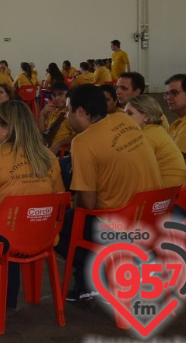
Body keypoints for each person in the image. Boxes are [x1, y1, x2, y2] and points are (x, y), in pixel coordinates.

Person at [55, 84, 162, 302]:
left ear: (82, 112)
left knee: (52, 225)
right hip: (154, 211)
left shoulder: (83, 141)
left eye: (68, 110)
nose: (67, 117)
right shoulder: (123, 120)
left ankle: (91, 280)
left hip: (121, 222)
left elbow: (89, 203)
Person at [0, 100, 64, 309]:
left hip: (8, 235)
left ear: (8, 126)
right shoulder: (48, 156)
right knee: (10, 227)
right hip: (42, 234)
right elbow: (60, 196)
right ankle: (7, 299)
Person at [124, 96, 186, 189]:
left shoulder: (146, 137)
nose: (124, 118)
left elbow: (133, 170)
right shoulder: (155, 130)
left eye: (130, 113)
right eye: (124, 114)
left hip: (167, 194)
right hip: (176, 189)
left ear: (146, 116)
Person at [37, 81, 74, 155]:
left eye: (60, 94)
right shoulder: (53, 112)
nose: (57, 98)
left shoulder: (72, 113)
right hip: (48, 149)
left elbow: (78, 135)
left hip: (62, 152)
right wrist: (42, 116)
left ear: (68, 95)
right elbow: (44, 133)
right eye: (54, 95)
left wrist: (59, 144)